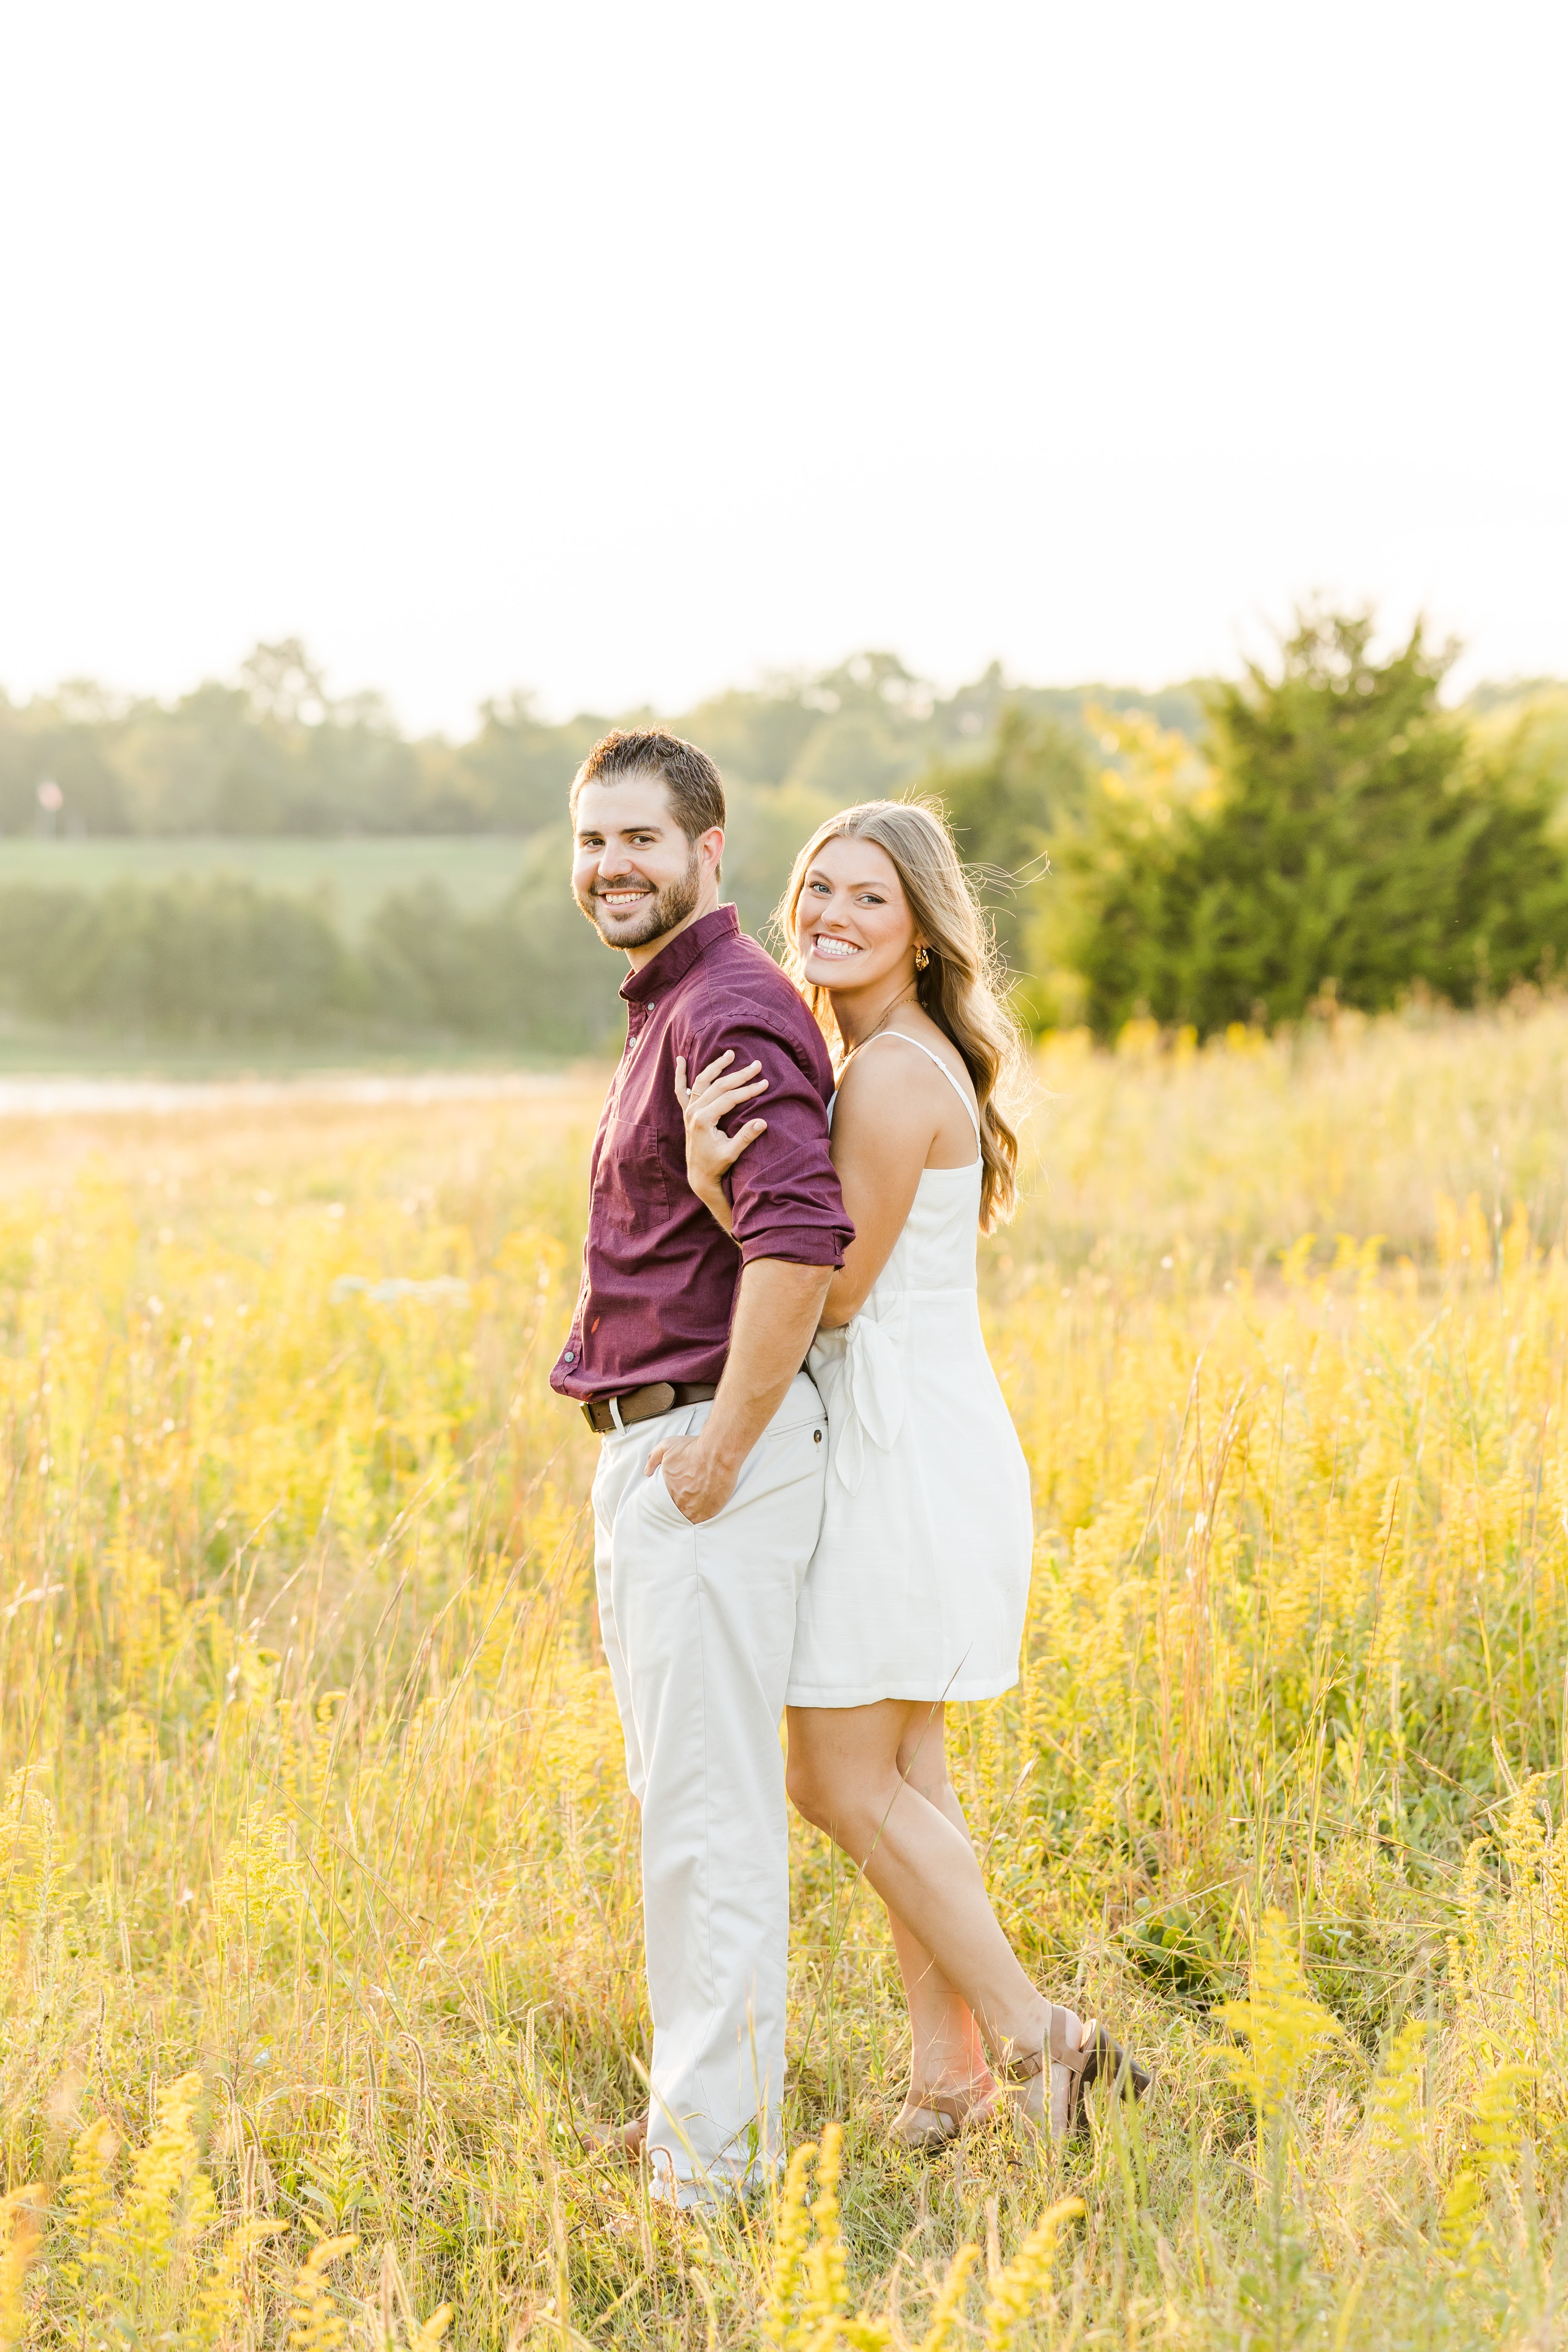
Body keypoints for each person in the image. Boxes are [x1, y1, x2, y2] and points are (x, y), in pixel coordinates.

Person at [677, 799, 1149, 2145]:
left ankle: (1045, 2040)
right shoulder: (890, 1054)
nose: (828, 913)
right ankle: (946, 2084)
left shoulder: (887, 1073)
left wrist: (721, 1196)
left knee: (837, 1777)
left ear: (923, 929)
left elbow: (828, 1294)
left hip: (899, 1461)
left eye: (866, 897)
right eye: (815, 888)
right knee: (907, 1778)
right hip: (925, 1446)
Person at [551, 729, 852, 2208]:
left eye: (639, 840)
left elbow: (802, 1236)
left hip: (701, 1449)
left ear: (708, 850)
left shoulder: (727, 1008)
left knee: (713, 1817)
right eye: (592, 840)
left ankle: (718, 2174)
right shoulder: (672, 1007)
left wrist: (718, 1445)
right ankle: (695, 2120)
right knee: (684, 1809)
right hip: (664, 1445)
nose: (611, 865)